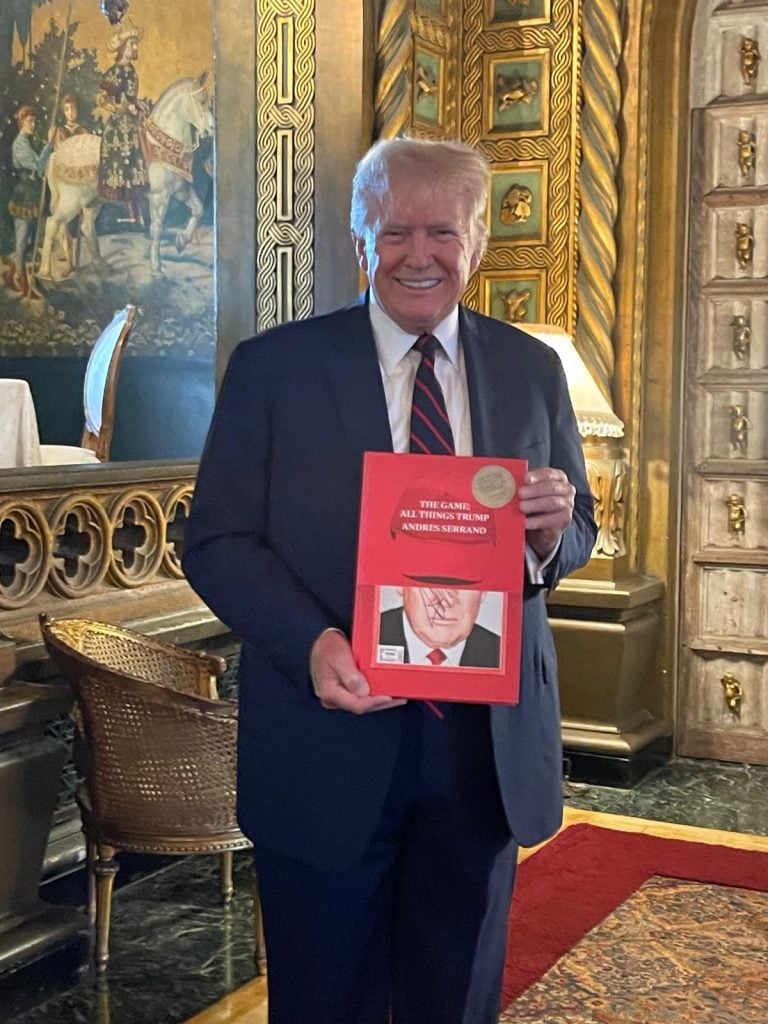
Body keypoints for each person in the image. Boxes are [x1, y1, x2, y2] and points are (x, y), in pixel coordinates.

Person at [183, 137, 596, 1024]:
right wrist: (314, 641)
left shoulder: (533, 369)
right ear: (360, 238)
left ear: (477, 242)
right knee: (326, 999)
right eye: (396, 231)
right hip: (326, 738)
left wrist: (549, 537)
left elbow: (578, 532)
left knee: (455, 1001)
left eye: (442, 232)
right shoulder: (275, 369)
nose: (420, 255)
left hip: (480, 751)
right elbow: (216, 542)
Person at [97, 19, 149, 221]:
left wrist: (139, 103)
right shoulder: (115, 72)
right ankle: (121, 204)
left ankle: (135, 208)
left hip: (132, 122)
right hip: (118, 126)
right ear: (123, 48)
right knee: (122, 160)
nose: (135, 48)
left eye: (136, 44)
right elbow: (101, 97)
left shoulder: (132, 72)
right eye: (132, 44)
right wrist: (118, 108)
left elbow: (131, 96)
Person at [379, 585, 501, 667]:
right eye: (429, 581)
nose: (444, 602)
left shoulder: (501, 655)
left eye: (464, 584)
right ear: (400, 585)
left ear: (484, 592)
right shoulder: (365, 638)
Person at [4, 105, 51, 300]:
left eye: (34, 120)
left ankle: (12, 275)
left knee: (30, 240)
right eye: (30, 121)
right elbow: (39, 165)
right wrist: (49, 145)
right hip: (24, 194)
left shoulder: (28, 141)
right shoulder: (20, 144)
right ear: (22, 122)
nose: (34, 124)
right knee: (22, 241)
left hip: (32, 193)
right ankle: (23, 285)